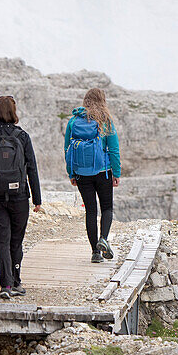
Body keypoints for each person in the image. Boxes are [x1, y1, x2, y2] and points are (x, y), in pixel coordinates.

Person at [0, 95, 42, 299]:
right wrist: (37, 199)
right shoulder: (22, 137)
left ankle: (5, 285)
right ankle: (16, 281)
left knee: (1, 240)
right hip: (19, 196)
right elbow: (32, 168)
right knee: (16, 241)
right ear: (13, 113)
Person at [64, 88, 121, 263]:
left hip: (82, 173)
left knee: (90, 211)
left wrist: (71, 173)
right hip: (103, 172)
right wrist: (116, 173)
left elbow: (67, 149)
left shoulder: (73, 122)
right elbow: (114, 150)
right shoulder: (105, 121)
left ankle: (95, 253)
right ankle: (103, 238)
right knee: (106, 208)